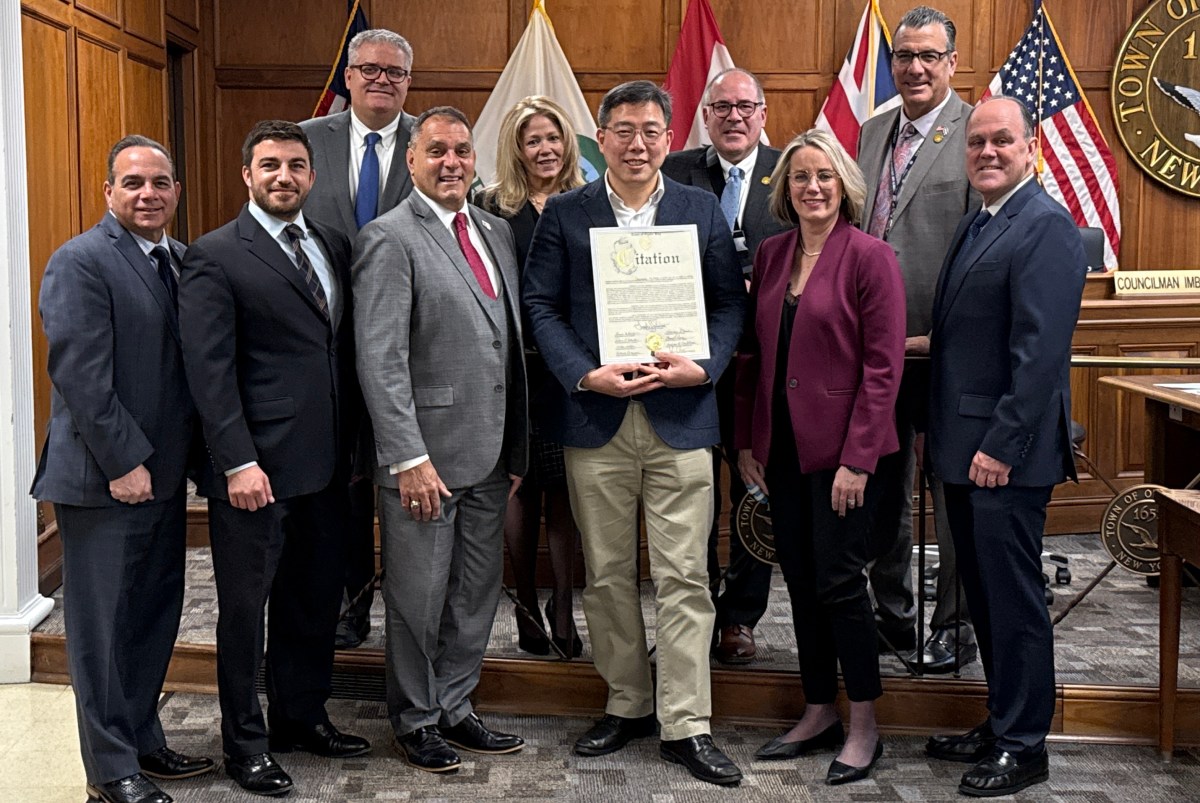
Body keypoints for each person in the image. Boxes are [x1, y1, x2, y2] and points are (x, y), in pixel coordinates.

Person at [523, 80, 746, 787]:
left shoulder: (700, 210)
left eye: (651, 130)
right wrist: (584, 374)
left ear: (670, 137)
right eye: (623, 130)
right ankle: (627, 702)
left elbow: (728, 304)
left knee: (686, 577)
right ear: (601, 137)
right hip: (598, 419)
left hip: (683, 418)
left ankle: (686, 722)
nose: (638, 144)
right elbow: (540, 304)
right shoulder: (567, 212)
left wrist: (703, 366)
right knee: (608, 574)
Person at [179, 120, 369, 797]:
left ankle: (301, 716)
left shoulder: (333, 244)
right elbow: (209, 373)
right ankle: (245, 743)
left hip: (327, 466)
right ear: (247, 175)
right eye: (269, 165)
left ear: (312, 176)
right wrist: (236, 462)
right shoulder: (214, 255)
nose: (283, 176)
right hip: (253, 472)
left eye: (294, 165)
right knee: (243, 612)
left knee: (312, 601)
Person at [32, 135, 214, 803]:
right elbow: (81, 376)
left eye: (160, 182)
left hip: (163, 479)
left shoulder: (183, 260)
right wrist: (124, 460)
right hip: (105, 480)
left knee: (152, 616)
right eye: (133, 182)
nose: (148, 194)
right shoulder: (80, 261)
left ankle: (142, 738)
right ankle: (110, 771)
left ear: (176, 191)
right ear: (109, 191)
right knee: (102, 633)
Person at [353, 106, 529, 774]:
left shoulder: (494, 229)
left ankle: (456, 704)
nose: (451, 162)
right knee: (418, 600)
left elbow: (503, 342)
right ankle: (416, 718)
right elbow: (381, 358)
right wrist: (407, 457)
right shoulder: (388, 237)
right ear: (411, 160)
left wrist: (515, 446)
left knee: (475, 592)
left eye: (461, 150)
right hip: (424, 459)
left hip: (491, 454)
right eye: (436, 151)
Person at [925, 95, 1085, 797]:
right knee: (985, 598)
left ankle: (1025, 745)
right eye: (977, 142)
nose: (987, 152)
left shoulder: (1046, 227)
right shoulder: (980, 220)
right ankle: (1002, 719)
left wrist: (1001, 445)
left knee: (1014, 602)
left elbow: (1040, 355)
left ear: (1031, 149)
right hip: (966, 449)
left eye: (1002, 141)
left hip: (1003, 457)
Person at [734, 129, 905, 785]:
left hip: (846, 456)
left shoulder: (871, 256)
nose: (812, 187)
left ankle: (863, 723)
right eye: (801, 176)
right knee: (801, 581)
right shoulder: (772, 253)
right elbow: (752, 355)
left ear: (844, 187)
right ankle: (817, 708)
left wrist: (858, 460)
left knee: (840, 582)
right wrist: (748, 440)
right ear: (785, 188)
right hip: (782, 449)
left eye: (824, 176)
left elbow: (884, 370)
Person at [857, 5, 981, 667]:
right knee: (882, 488)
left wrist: (945, 336)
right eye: (904, 56)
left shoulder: (977, 132)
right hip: (877, 353)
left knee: (949, 493)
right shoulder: (872, 131)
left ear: (952, 63)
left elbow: (987, 252)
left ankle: (954, 625)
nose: (915, 68)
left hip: (943, 352)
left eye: (929, 56)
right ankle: (894, 616)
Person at [661, 67, 789, 666]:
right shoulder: (673, 171)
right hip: (690, 362)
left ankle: (741, 616)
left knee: (753, 490)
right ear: (706, 117)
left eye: (745, 107)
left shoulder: (792, 172)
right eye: (721, 108)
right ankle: (696, 612)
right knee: (691, 495)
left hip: (764, 363)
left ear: (763, 114)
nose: (733, 117)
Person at [300, 27, 417, 650]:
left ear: (408, 82)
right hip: (326, 344)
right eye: (369, 69)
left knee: (405, 478)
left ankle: (410, 607)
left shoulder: (433, 141)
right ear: (348, 77)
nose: (381, 80)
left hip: (412, 347)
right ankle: (350, 600)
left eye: (394, 72)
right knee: (342, 487)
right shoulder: (306, 141)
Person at [476, 95, 586, 658]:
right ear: (516, 149)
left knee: (566, 490)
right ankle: (524, 604)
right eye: (532, 140)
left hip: (573, 370)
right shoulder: (489, 208)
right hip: (514, 372)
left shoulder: (590, 200)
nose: (546, 148)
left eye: (553, 137)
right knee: (518, 489)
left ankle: (563, 607)